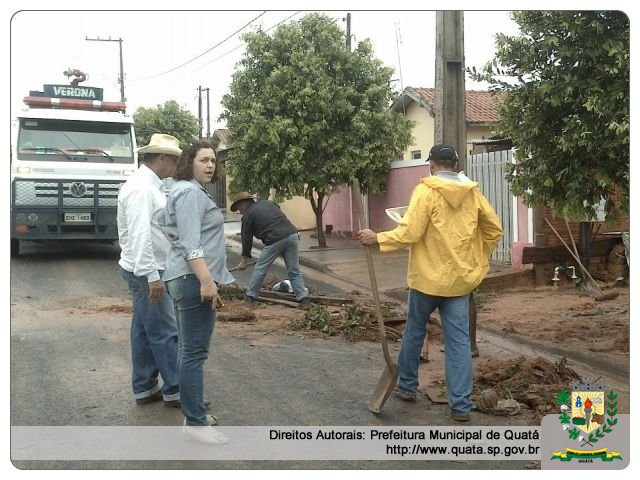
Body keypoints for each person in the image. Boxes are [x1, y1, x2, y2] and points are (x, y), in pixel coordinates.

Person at [358, 144, 503, 422]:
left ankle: (407, 387)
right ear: (456, 164)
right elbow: (494, 229)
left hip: (425, 281)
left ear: (432, 165)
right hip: (459, 283)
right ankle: (460, 405)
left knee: (414, 332)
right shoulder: (472, 193)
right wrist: (476, 258)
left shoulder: (425, 191)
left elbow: (409, 232)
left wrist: (377, 238)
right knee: (459, 342)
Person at [163, 140, 234, 444]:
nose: (210, 165)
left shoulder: (183, 190)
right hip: (193, 280)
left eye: (213, 161)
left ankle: (194, 413)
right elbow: (192, 244)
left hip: (184, 277)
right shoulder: (190, 193)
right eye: (203, 160)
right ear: (189, 162)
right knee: (194, 353)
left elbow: (166, 226)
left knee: (187, 351)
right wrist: (207, 281)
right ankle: (194, 421)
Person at [117, 133, 181, 408]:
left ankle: (144, 387)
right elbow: (140, 235)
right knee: (165, 332)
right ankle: (177, 390)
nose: (177, 165)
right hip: (147, 271)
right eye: (175, 159)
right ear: (163, 158)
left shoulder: (148, 185)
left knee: (144, 331)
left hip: (143, 269)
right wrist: (153, 276)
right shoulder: (143, 189)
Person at [231, 192, 311, 308]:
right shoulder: (268, 203)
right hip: (292, 234)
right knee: (294, 270)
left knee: (260, 268)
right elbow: (277, 211)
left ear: (243, 204)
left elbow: (246, 239)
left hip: (275, 240)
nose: (239, 211)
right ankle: (303, 299)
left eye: (238, 208)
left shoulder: (248, 216)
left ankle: (250, 297)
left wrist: (244, 260)